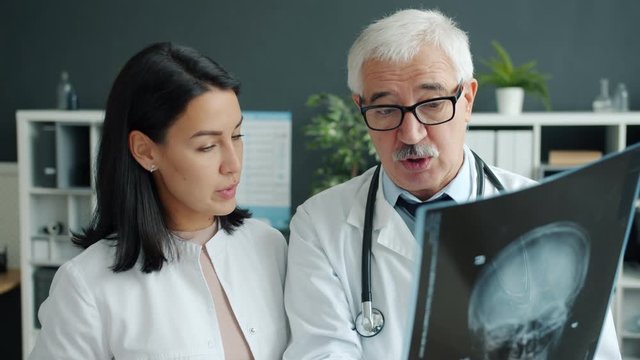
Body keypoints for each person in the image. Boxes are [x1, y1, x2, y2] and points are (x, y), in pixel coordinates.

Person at [283, 9, 621, 359]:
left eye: (431, 104)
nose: (411, 133)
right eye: (385, 109)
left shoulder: (549, 210)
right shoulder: (319, 225)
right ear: (361, 108)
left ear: (468, 99)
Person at [30, 42, 288, 359]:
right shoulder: (86, 284)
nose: (233, 164)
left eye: (236, 135)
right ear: (145, 150)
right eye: (207, 146)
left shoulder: (270, 247)